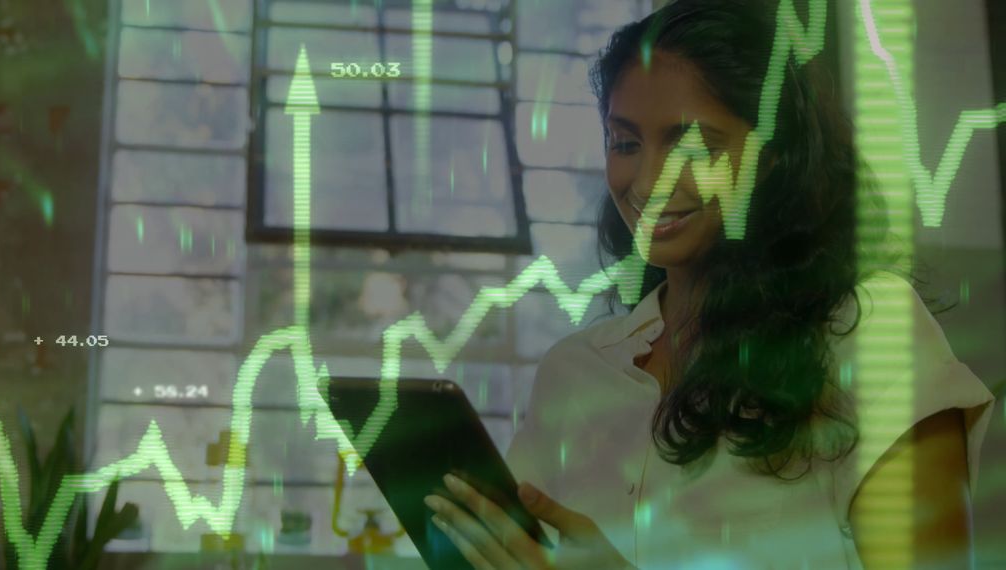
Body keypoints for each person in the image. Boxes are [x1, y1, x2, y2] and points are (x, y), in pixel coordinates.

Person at [420, 0, 996, 568]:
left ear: (775, 156)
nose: (646, 182)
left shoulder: (869, 335)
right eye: (624, 143)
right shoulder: (573, 373)